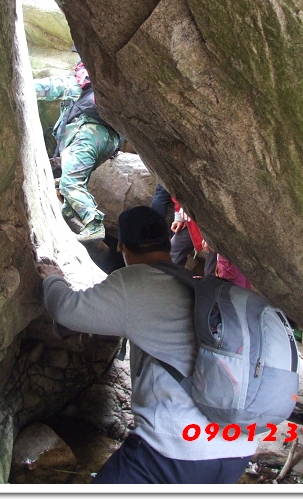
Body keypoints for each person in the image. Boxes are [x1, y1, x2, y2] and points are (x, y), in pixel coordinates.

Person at [36, 206, 257, 484]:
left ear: (122, 246)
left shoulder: (135, 281)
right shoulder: (195, 283)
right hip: (237, 449)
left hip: (177, 448)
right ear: (167, 241)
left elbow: (66, 310)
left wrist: (53, 278)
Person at [35, 61, 121, 243]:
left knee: (70, 181)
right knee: (73, 177)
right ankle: (68, 209)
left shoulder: (76, 81)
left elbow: (44, 88)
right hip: (109, 142)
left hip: (87, 133)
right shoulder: (106, 90)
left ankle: (93, 222)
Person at [170, 198, 217, 277]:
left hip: (214, 227)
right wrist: (179, 217)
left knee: (211, 272)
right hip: (192, 221)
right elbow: (178, 194)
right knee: (174, 250)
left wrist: (211, 235)